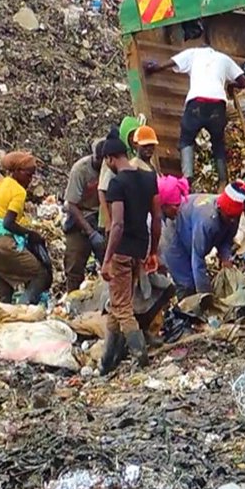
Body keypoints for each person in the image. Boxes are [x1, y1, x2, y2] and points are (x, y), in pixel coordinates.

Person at [145, 39, 245, 189]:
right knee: (218, 144)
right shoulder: (224, 58)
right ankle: (222, 182)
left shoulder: (193, 53)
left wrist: (153, 68)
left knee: (187, 140)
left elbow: (168, 63)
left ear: (201, 48)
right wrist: (232, 85)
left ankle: (187, 181)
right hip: (218, 104)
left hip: (197, 102)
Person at [100, 129, 161, 375]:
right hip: (140, 249)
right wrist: (153, 251)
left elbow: (117, 224)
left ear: (110, 159)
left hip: (121, 252)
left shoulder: (117, 183)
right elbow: (156, 217)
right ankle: (107, 363)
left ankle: (141, 355)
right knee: (118, 304)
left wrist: (106, 260)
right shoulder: (148, 178)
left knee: (122, 307)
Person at [0, 151, 52, 303]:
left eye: (32, 176)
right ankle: (22, 310)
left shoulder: (1, 185)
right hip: (2, 241)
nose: (30, 180)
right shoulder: (19, 191)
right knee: (40, 274)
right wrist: (30, 234)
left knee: (4, 285)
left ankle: (5, 315)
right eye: (28, 175)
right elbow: (8, 223)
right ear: (17, 171)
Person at [162, 183, 244, 296]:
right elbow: (198, 260)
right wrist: (206, 296)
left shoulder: (233, 214)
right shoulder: (207, 221)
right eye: (229, 217)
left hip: (191, 228)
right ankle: (185, 309)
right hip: (174, 230)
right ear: (220, 210)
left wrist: (226, 258)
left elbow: (226, 240)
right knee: (187, 284)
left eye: (235, 217)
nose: (233, 221)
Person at [64, 140, 107, 293]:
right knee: (74, 265)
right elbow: (71, 205)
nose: (101, 163)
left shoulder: (111, 168)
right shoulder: (80, 170)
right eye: (98, 159)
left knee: (110, 264)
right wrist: (91, 232)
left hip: (102, 218)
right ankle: (72, 303)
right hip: (80, 219)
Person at [98, 115, 144, 229]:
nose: (134, 140)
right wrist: (108, 222)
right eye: (131, 135)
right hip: (110, 214)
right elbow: (102, 190)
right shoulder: (112, 156)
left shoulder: (134, 155)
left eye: (136, 136)